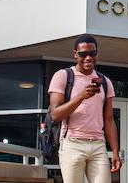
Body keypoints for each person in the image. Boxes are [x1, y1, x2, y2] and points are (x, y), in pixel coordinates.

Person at [48, 34, 120, 183]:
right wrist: (80, 97)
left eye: (92, 54)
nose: (88, 58)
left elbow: (109, 119)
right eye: (83, 54)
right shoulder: (63, 76)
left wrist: (114, 151)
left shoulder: (105, 82)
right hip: (72, 143)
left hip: (98, 145)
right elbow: (55, 114)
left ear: (97, 54)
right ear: (75, 54)